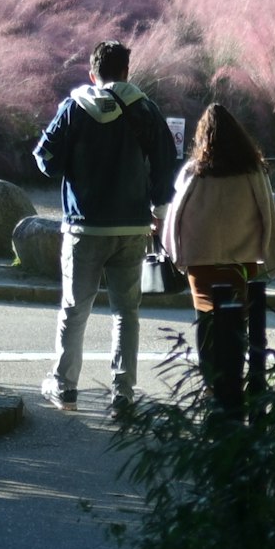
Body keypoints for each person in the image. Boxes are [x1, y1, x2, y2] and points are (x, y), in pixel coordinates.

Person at [28, 42, 180, 416]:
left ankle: (65, 386)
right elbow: (165, 162)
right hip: (132, 226)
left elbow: (44, 157)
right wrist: (158, 210)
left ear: (92, 72)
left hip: (83, 227)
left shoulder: (73, 109)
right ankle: (123, 392)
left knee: (74, 309)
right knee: (125, 312)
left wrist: (69, 171)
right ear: (127, 72)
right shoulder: (144, 109)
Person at [160, 100, 275, 415]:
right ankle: (235, 384)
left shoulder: (193, 172)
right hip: (241, 260)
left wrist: (173, 252)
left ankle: (212, 385)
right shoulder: (253, 171)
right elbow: (268, 213)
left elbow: (176, 214)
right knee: (237, 321)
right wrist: (272, 255)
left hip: (201, 260)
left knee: (207, 320)